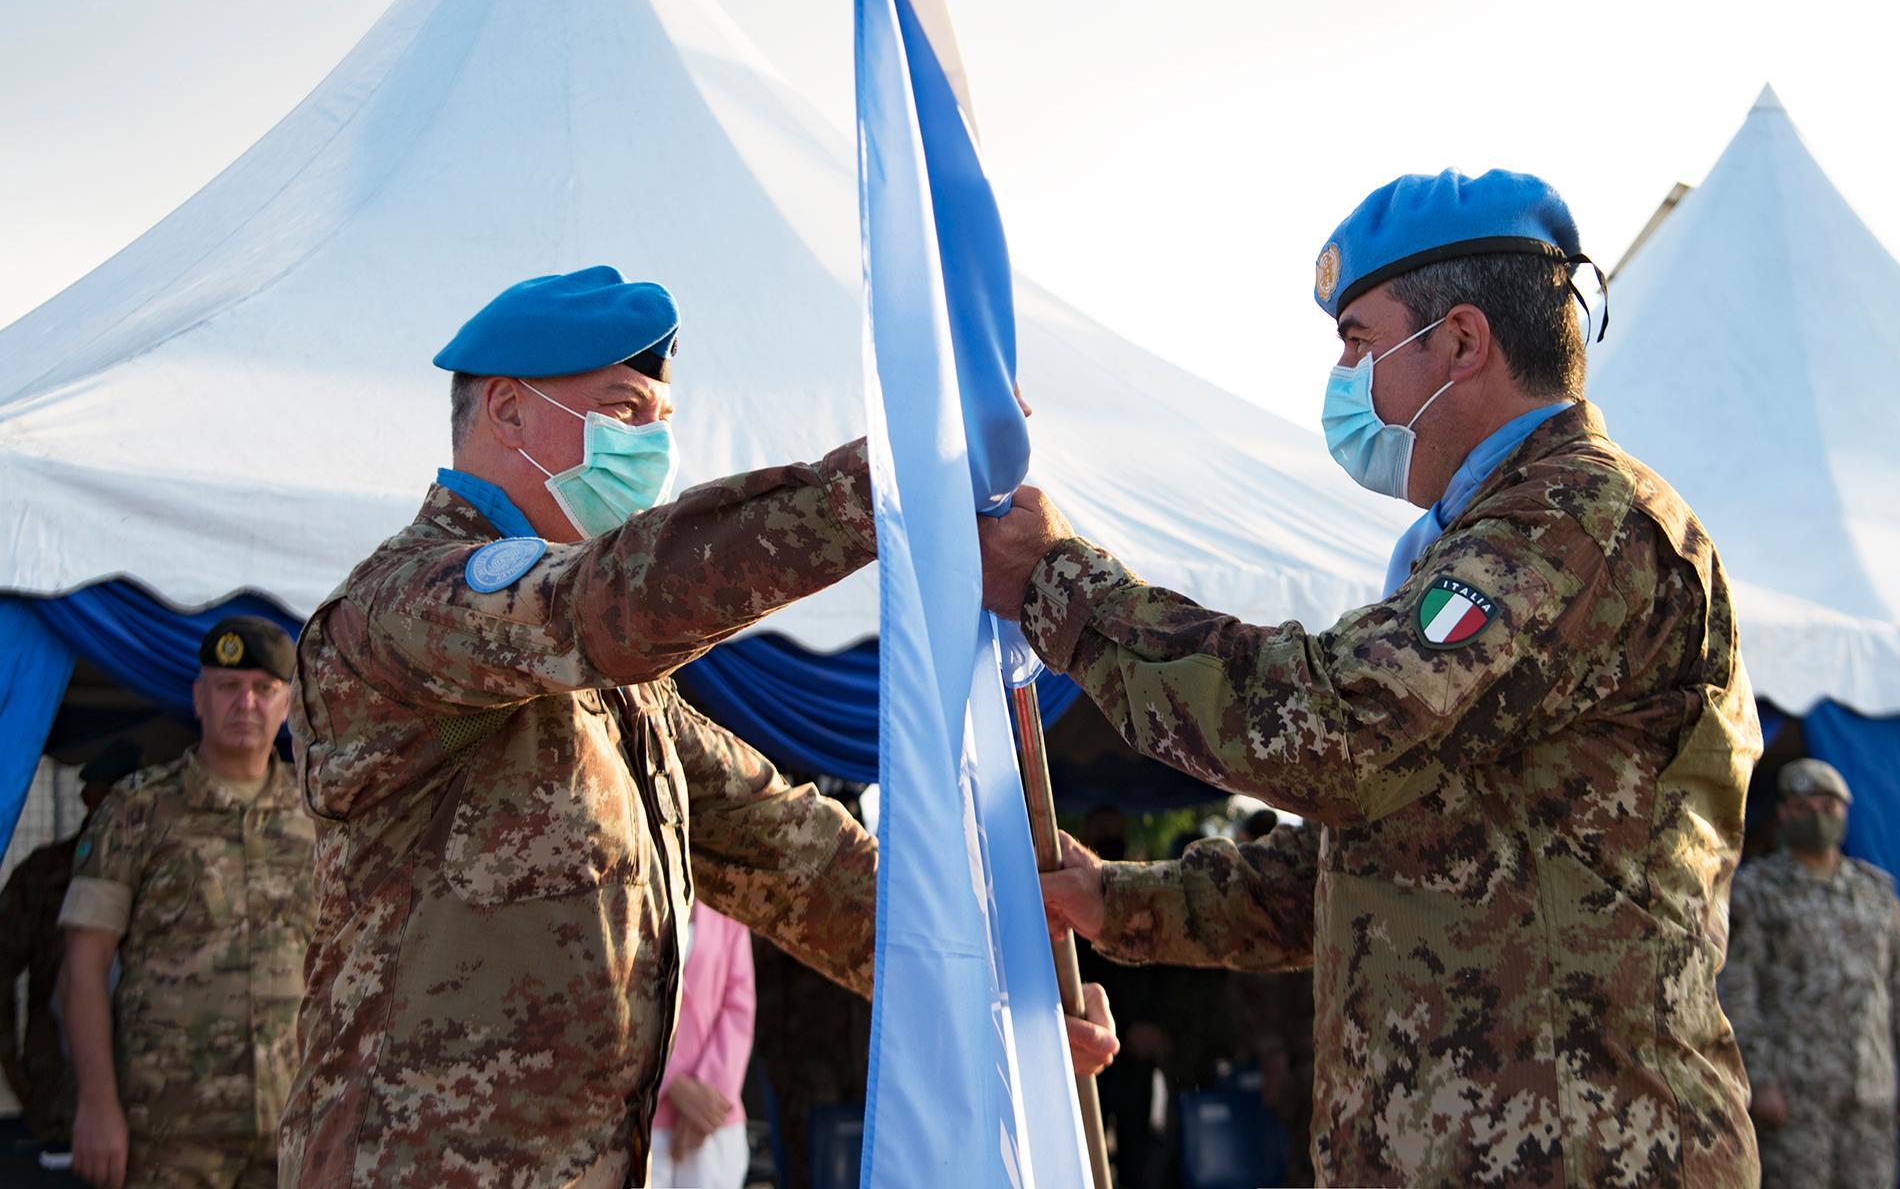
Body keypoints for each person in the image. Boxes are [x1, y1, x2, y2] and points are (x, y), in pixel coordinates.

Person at [982, 169, 1762, 1185]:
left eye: (1358, 342)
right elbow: (1379, 864)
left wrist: (1060, 588)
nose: (1345, 381)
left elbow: (1331, 734)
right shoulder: (1483, 542)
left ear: (1461, 343)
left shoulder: (1576, 524)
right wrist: (1119, 902)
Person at [278, 266, 1116, 1188]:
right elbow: (605, 601)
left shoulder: (611, 695)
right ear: (508, 412)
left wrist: (1001, 997)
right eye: (625, 411)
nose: (651, 447)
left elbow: (787, 850)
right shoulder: (406, 608)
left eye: (661, 424)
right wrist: (873, 496)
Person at [59, 619, 315, 1189]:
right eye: (227, 687)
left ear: (287, 704)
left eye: (262, 688)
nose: (244, 702)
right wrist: (96, 1106)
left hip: (293, 1124)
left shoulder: (317, 815)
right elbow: (83, 964)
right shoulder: (137, 810)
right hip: (171, 1130)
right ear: (199, 698)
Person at [1719, 757, 1900, 1187]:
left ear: (1845, 813)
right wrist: (1759, 1080)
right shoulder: (1757, 891)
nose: (1817, 817)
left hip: (1869, 1096)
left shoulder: (1877, 894)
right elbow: (1739, 990)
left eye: (1828, 807)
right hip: (1795, 1099)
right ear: (1783, 814)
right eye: (1804, 808)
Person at [0, 741, 141, 1150]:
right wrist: (12, 1064)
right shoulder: (46, 873)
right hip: (61, 1086)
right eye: (109, 793)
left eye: (127, 793)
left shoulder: (164, 867)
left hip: (152, 1091)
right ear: (88, 797)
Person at [651, 898, 755, 1188]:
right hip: (643, 1119)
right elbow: (616, 1009)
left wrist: (707, 1098)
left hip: (713, 1125)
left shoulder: (729, 911)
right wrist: (670, 1081)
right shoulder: (632, 897)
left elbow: (739, 1008)